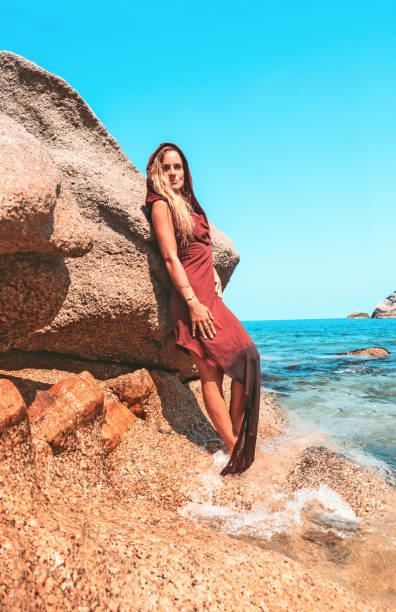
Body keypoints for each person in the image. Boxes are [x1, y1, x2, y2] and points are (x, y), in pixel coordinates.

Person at [145, 143, 261, 476]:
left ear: (185, 170)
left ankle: (236, 442)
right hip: (190, 302)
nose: (172, 173)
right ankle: (235, 449)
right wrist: (193, 303)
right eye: (166, 167)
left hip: (209, 299)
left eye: (177, 167)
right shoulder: (162, 206)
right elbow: (170, 258)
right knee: (211, 372)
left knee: (246, 360)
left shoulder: (190, 205)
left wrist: (214, 284)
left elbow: (200, 254)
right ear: (157, 171)